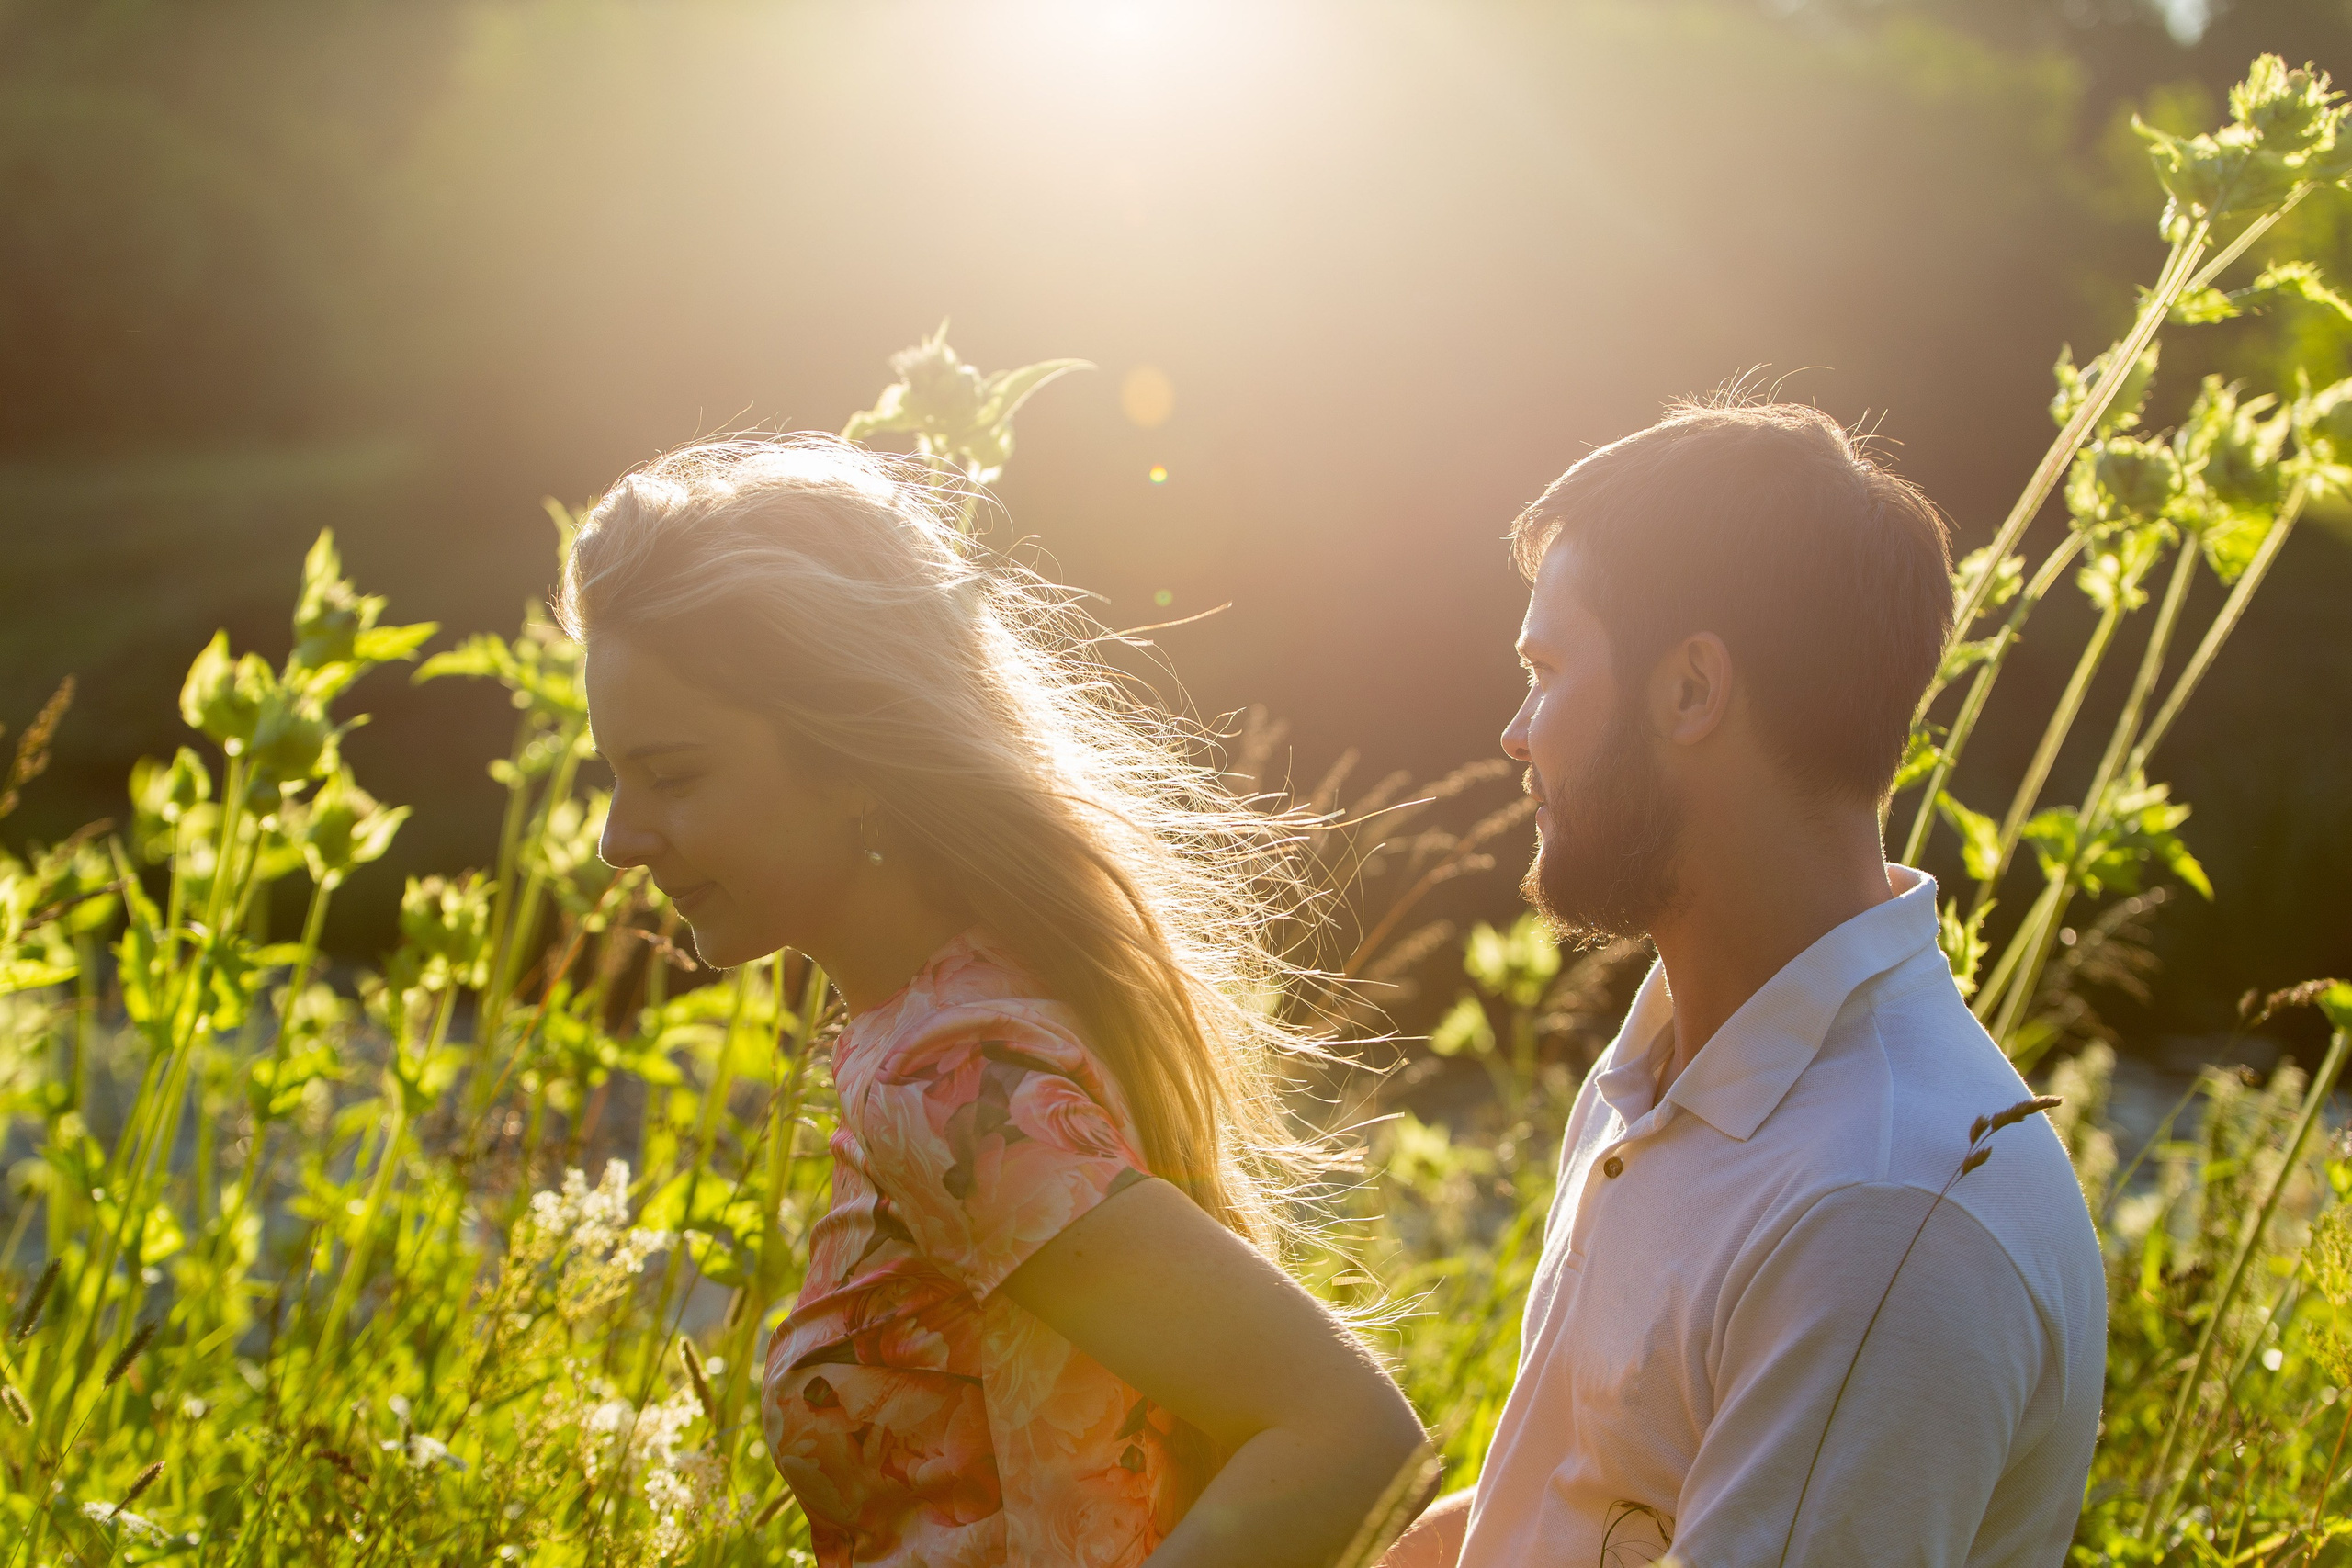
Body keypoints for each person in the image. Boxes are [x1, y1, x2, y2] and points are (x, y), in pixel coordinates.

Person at [565, 435, 1428, 1568]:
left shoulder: (955, 1080)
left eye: (673, 776)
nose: (619, 840)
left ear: (854, 756)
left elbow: (1346, 1436)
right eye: (614, 776)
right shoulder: (950, 1021)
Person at [1385, 401, 2107, 1567]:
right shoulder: (1669, 1070)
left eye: (1549, 669)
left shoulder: (1881, 1203)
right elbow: (1583, 1499)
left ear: (1688, 692)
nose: (1517, 734)